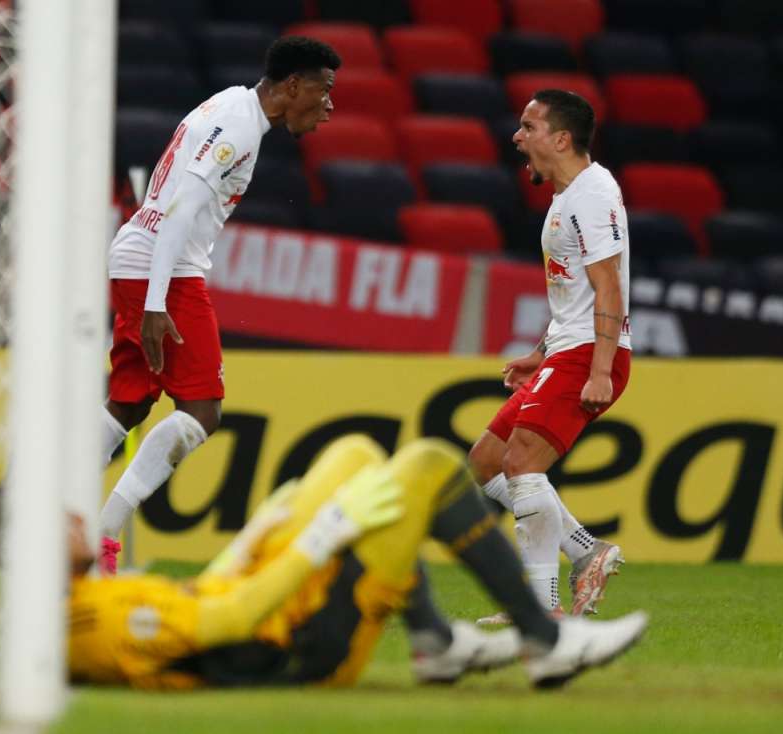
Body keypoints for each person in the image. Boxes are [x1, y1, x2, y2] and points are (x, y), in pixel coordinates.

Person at [67, 435, 648, 689]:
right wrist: (317, 540)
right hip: (299, 644)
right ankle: (544, 640)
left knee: (356, 455)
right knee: (425, 468)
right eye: (58, 521)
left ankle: (435, 641)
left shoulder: (82, 602)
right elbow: (230, 623)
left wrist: (246, 546)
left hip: (276, 604)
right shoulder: (94, 623)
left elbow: (205, 602)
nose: (75, 517)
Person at [96, 37, 341, 572]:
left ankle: (47, 507)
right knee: (202, 409)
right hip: (164, 269)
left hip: (142, 258)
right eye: (323, 93)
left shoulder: (234, 104)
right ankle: (101, 532)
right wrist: (158, 303)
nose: (328, 106)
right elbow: (181, 212)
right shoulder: (237, 127)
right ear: (292, 86)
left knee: (131, 400)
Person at [469, 89, 631, 623]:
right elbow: (574, 294)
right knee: (487, 462)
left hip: (590, 354)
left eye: (528, 127)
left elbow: (609, 289)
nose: (518, 137)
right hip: (570, 347)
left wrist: (601, 370)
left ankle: (543, 608)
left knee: (519, 464)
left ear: (561, 139)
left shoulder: (591, 195)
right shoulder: (567, 196)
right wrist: (541, 352)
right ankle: (587, 550)